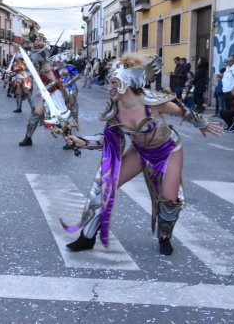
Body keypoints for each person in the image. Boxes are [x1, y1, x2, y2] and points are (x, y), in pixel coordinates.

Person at [63, 54, 222, 256]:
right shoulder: (114, 111)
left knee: (169, 200)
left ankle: (165, 237)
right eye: (110, 82)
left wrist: (203, 124)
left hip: (168, 150)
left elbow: (182, 111)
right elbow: (108, 140)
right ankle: (87, 237)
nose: (109, 86)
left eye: (114, 82)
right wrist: (83, 141)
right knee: (103, 185)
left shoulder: (152, 102)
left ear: (127, 84)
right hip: (140, 152)